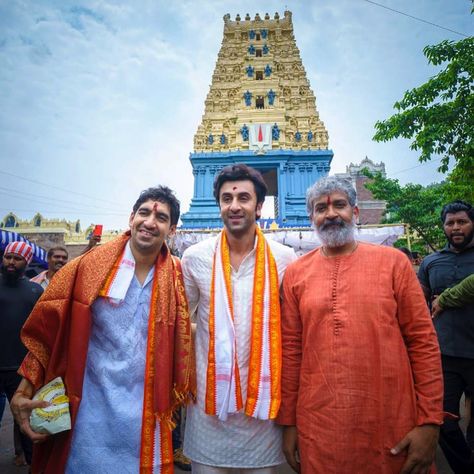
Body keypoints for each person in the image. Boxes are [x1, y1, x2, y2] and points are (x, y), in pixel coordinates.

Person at [11, 186, 195, 474]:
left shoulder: (176, 274)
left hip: (147, 413)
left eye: (161, 217)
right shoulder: (89, 265)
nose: (149, 222)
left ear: (172, 229)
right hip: (90, 411)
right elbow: (49, 326)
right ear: (131, 217)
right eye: (144, 212)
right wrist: (25, 386)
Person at [278, 176, 444, 473]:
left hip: (390, 419)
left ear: (355, 213)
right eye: (320, 208)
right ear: (312, 218)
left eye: (339, 205)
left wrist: (430, 422)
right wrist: (288, 422)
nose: (330, 214)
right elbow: (290, 353)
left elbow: (423, 343)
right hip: (320, 426)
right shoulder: (295, 274)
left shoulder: (395, 263)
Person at [181, 164, 296, 473]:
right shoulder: (195, 258)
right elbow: (179, 323)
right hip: (208, 410)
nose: (234, 206)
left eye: (243, 198)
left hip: (262, 411)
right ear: (219, 204)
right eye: (226, 198)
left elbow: (292, 330)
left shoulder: (284, 258)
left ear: (258, 206)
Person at [418, 200, 474, 473]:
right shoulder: (430, 261)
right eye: (450, 223)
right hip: (444, 356)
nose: (456, 228)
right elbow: (418, 304)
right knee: (443, 421)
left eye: (462, 221)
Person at [0, 241, 43, 467]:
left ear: (26, 262)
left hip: (21, 369)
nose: (11, 262)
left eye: (17, 259)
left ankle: (32, 466)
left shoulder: (36, 291)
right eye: (8, 257)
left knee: (25, 422)